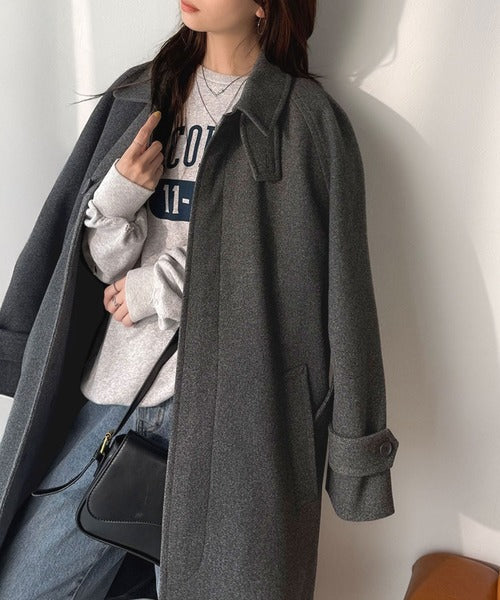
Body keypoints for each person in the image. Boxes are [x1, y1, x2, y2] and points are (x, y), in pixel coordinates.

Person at [0, 0, 399, 598]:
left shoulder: (305, 124)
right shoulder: (138, 96)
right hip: (115, 402)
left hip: (238, 428)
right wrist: (117, 198)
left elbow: (339, 297)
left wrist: (358, 454)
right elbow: (89, 265)